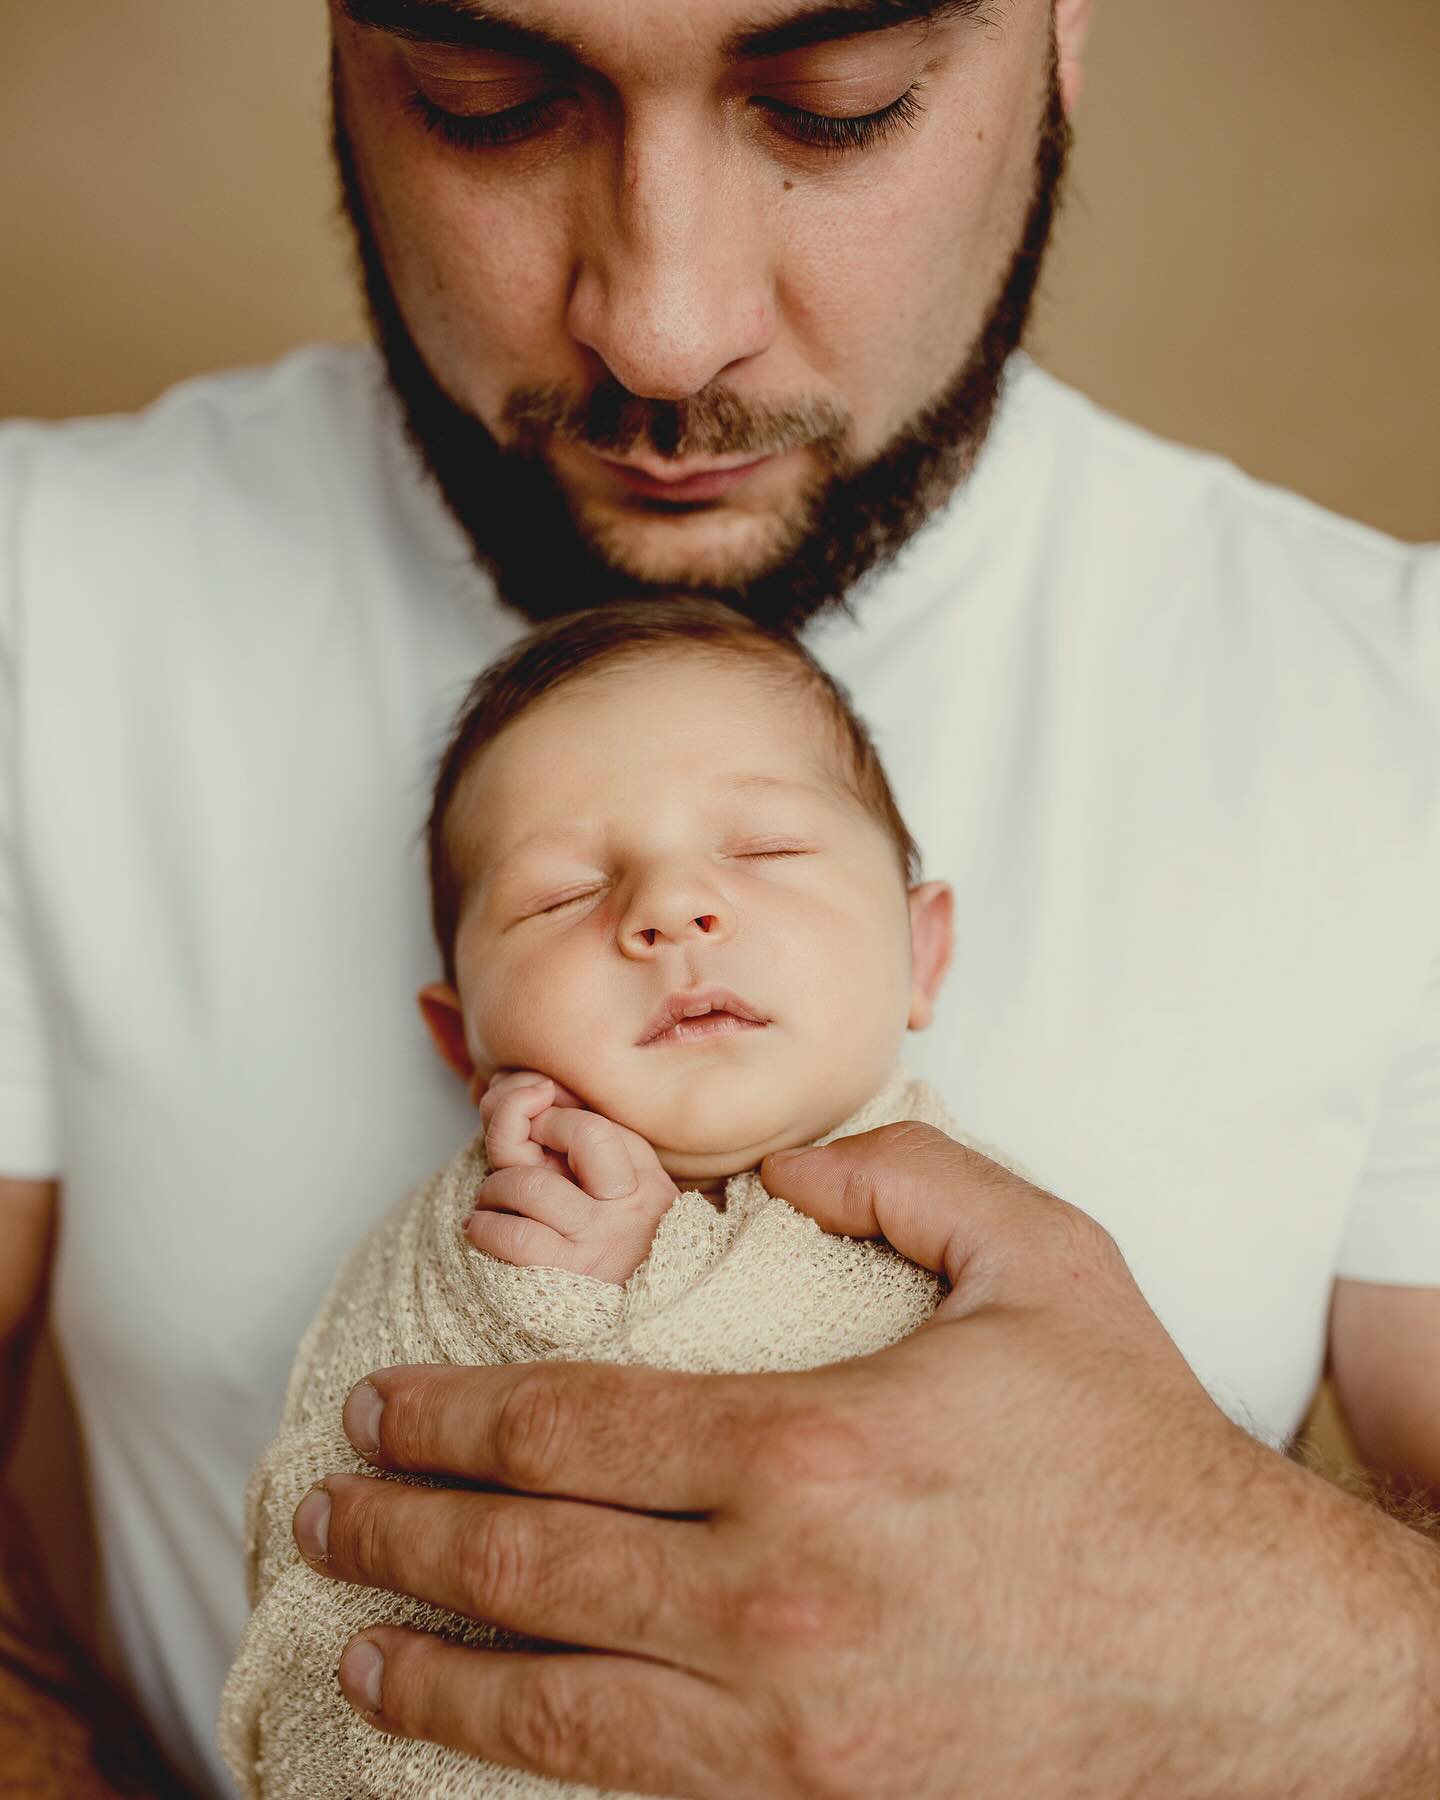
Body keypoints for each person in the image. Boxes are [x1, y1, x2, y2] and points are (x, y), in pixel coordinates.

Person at [2, 0, 1438, 1794]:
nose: (664, 327)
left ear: (1066, 34)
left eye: (839, 110)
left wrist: (1340, 1661)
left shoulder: (1397, 706)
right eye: (491, 102)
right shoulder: (40, 595)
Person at [219, 597, 974, 1796]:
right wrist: (549, 1303)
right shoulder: (468, 1246)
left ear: (921, 953)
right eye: (564, 895)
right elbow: (343, 1503)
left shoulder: (999, 1245)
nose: (670, 912)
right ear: (464, 1037)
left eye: (766, 850)